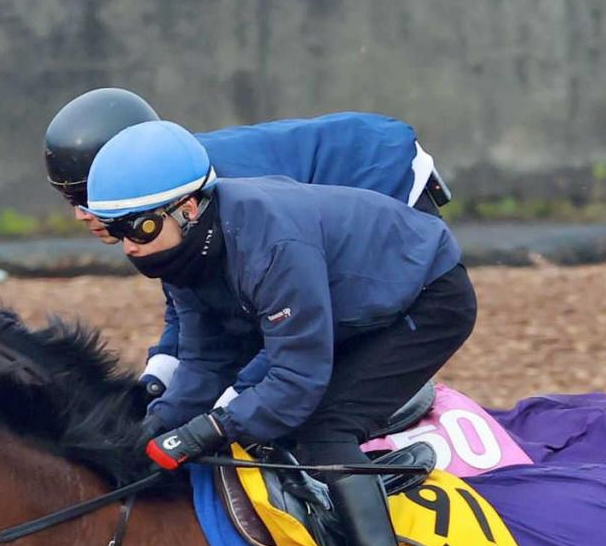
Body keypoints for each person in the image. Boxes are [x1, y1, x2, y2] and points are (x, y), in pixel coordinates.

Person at [86, 120, 477, 546]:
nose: (129, 248)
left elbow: (296, 379)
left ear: (187, 209)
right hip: (356, 300)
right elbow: (206, 362)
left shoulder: (269, 244)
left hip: (428, 298)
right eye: (113, 232)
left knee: (324, 427)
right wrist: (150, 431)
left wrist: (207, 430)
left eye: (137, 228)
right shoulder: (185, 257)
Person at [43, 88, 451, 401]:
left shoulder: (211, 191)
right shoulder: (171, 185)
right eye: (71, 200)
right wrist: (158, 378)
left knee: (299, 362)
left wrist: (224, 403)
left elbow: (276, 321)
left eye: (88, 198)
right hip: (323, 196)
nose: (82, 214)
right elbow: (189, 297)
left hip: (376, 174)